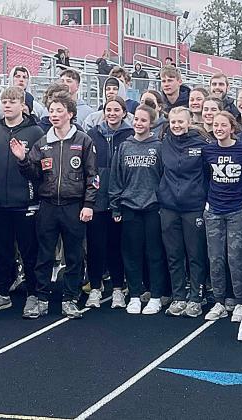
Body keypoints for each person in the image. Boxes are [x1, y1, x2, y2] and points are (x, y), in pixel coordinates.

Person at [14, 93, 98, 319]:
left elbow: (92, 176)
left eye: (59, 110)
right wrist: (23, 159)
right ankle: (41, 299)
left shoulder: (83, 141)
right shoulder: (42, 143)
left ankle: (70, 299)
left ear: (70, 114)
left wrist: (88, 203)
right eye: (51, 110)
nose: (54, 115)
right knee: (44, 255)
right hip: (48, 206)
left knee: (74, 255)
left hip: (74, 206)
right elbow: (34, 175)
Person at [0, 87, 43, 314]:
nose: (7, 105)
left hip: (25, 203)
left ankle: (33, 294)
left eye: (12, 101)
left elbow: (40, 170)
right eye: (4, 101)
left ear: (22, 106)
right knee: (1, 252)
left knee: (30, 251)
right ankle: (3, 293)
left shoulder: (36, 132)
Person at [109, 105, 168, 314]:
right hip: (129, 207)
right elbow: (116, 178)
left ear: (151, 123)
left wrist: (162, 203)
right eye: (137, 120)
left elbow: (164, 178)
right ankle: (134, 294)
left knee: (154, 253)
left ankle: (155, 295)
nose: (139, 124)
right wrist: (115, 206)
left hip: (153, 207)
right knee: (131, 254)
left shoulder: (159, 146)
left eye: (144, 120)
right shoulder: (124, 147)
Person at [158, 107, 210, 318]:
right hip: (169, 207)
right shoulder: (164, 143)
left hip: (193, 207)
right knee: (174, 254)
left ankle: (197, 297)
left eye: (181, 122)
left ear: (189, 122)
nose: (177, 126)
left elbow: (208, 174)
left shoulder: (201, 144)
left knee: (195, 254)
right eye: (173, 122)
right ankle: (179, 296)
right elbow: (160, 172)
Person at [203, 110, 242, 321]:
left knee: (236, 258)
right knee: (215, 258)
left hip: (238, 211)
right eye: (216, 125)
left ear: (232, 128)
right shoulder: (208, 150)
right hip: (214, 210)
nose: (219, 129)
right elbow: (206, 177)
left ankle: (240, 301)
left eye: (223, 125)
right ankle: (219, 301)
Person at [86, 97, 132, 309]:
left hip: (119, 201)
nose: (112, 113)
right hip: (96, 201)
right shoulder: (92, 135)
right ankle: (95, 287)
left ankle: (117, 289)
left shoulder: (130, 135)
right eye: (108, 109)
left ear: (124, 112)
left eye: (116, 110)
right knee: (95, 246)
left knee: (116, 246)